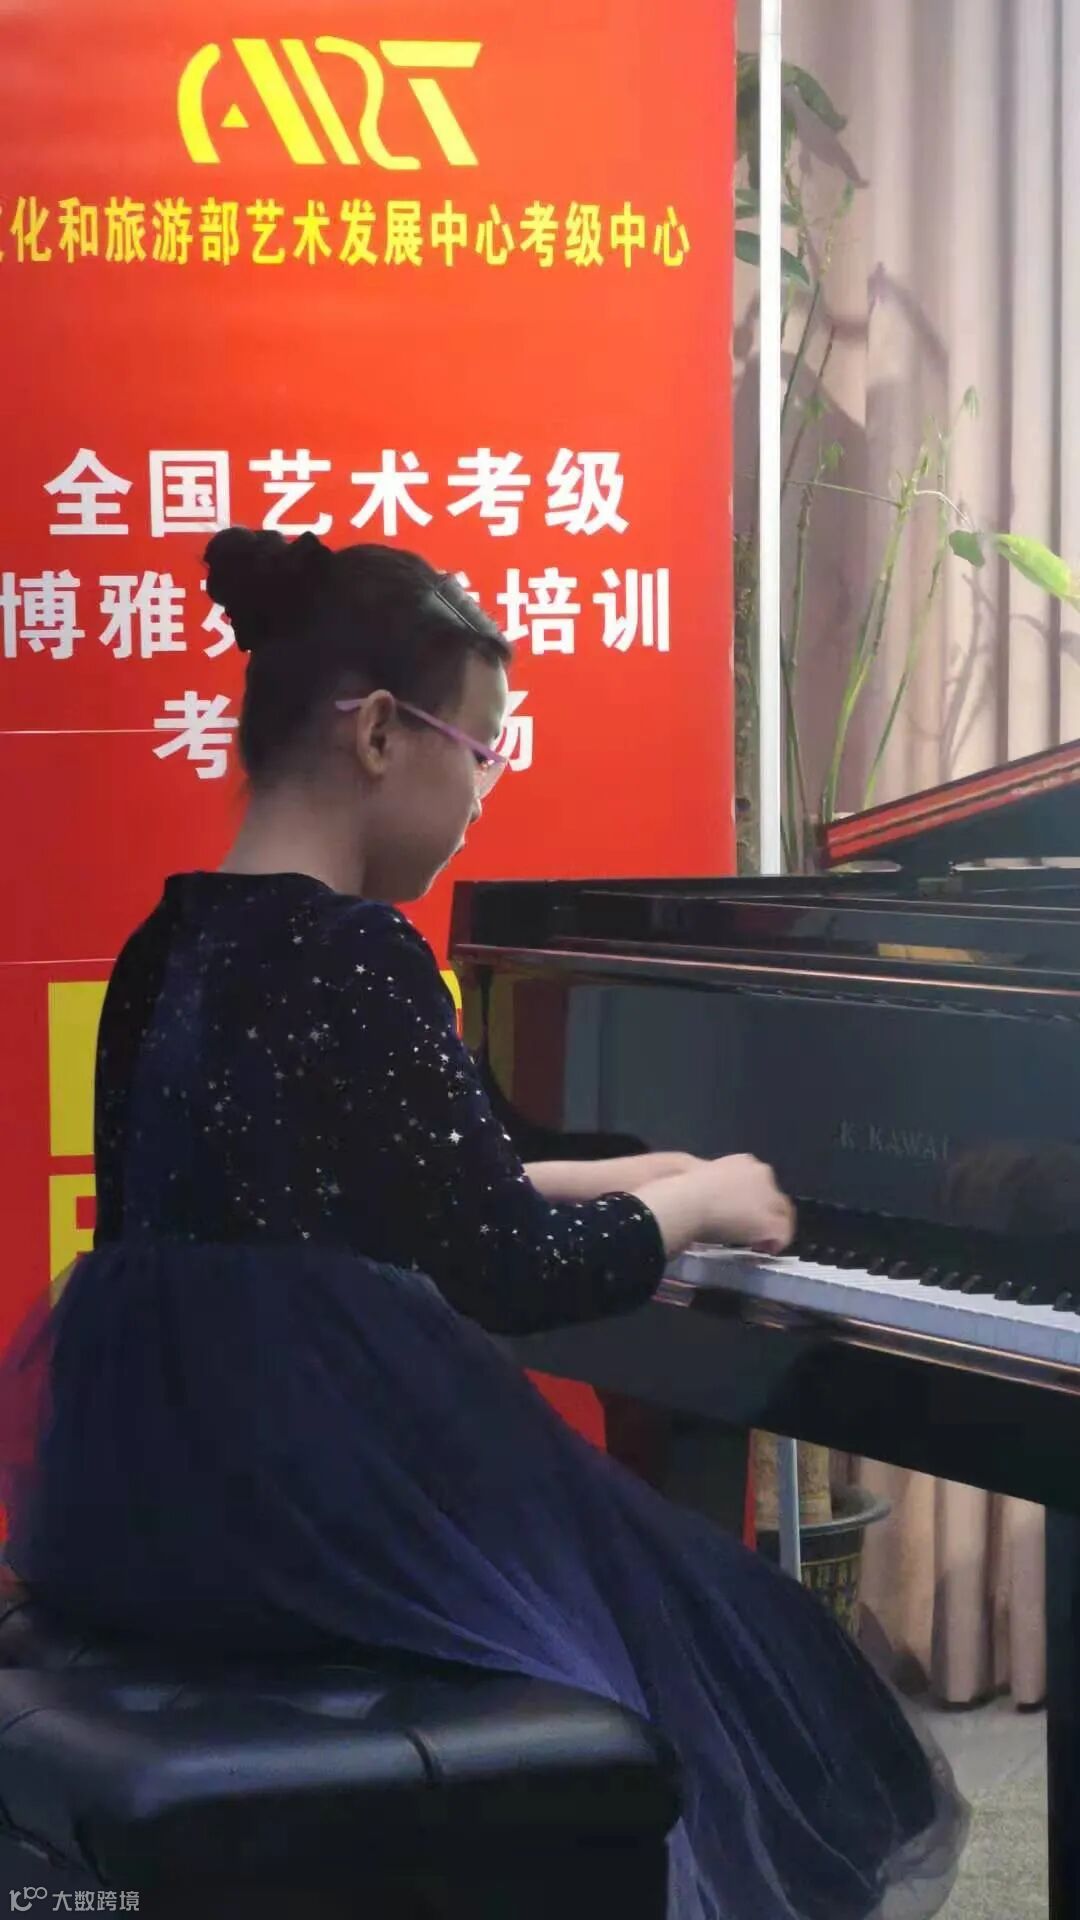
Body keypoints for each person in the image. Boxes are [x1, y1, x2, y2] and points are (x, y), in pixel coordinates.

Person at [3, 530, 965, 1920]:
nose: (481, 795)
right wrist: (695, 1202)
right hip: (328, 1514)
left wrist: (635, 1171)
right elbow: (511, 1270)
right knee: (750, 1643)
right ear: (381, 735)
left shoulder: (170, 947)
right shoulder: (361, 953)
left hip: (165, 1512)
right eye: (483, 751)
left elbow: (380, 1195)